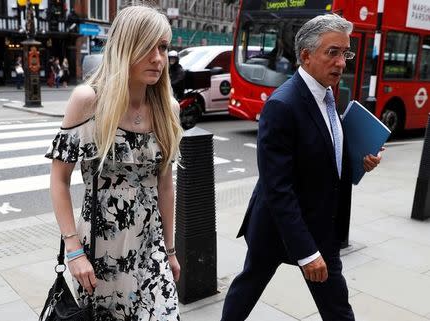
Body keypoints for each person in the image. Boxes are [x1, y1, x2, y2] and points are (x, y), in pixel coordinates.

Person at [221, 14, 383, 321]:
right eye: (332, 52)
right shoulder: (282, 105)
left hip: (321, 224)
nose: (341, 63)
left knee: (337, 307)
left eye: (345, 53)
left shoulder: (329, 94)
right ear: (306, 55)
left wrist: (358, 162)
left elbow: (323, 154)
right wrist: (307, 253)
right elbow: (277, 187)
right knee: (247, 289)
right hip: (278, 225)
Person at [45, 5, 182, 320]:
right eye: (148, 46)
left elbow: (165, 185)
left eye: (163, 47)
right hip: (100, 250)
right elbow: (59, 179)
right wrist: (74, 250)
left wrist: (171, 251)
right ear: (125, 47)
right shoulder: (88, 102)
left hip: (151, 249)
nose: (158, 58)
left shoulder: (168, 109)